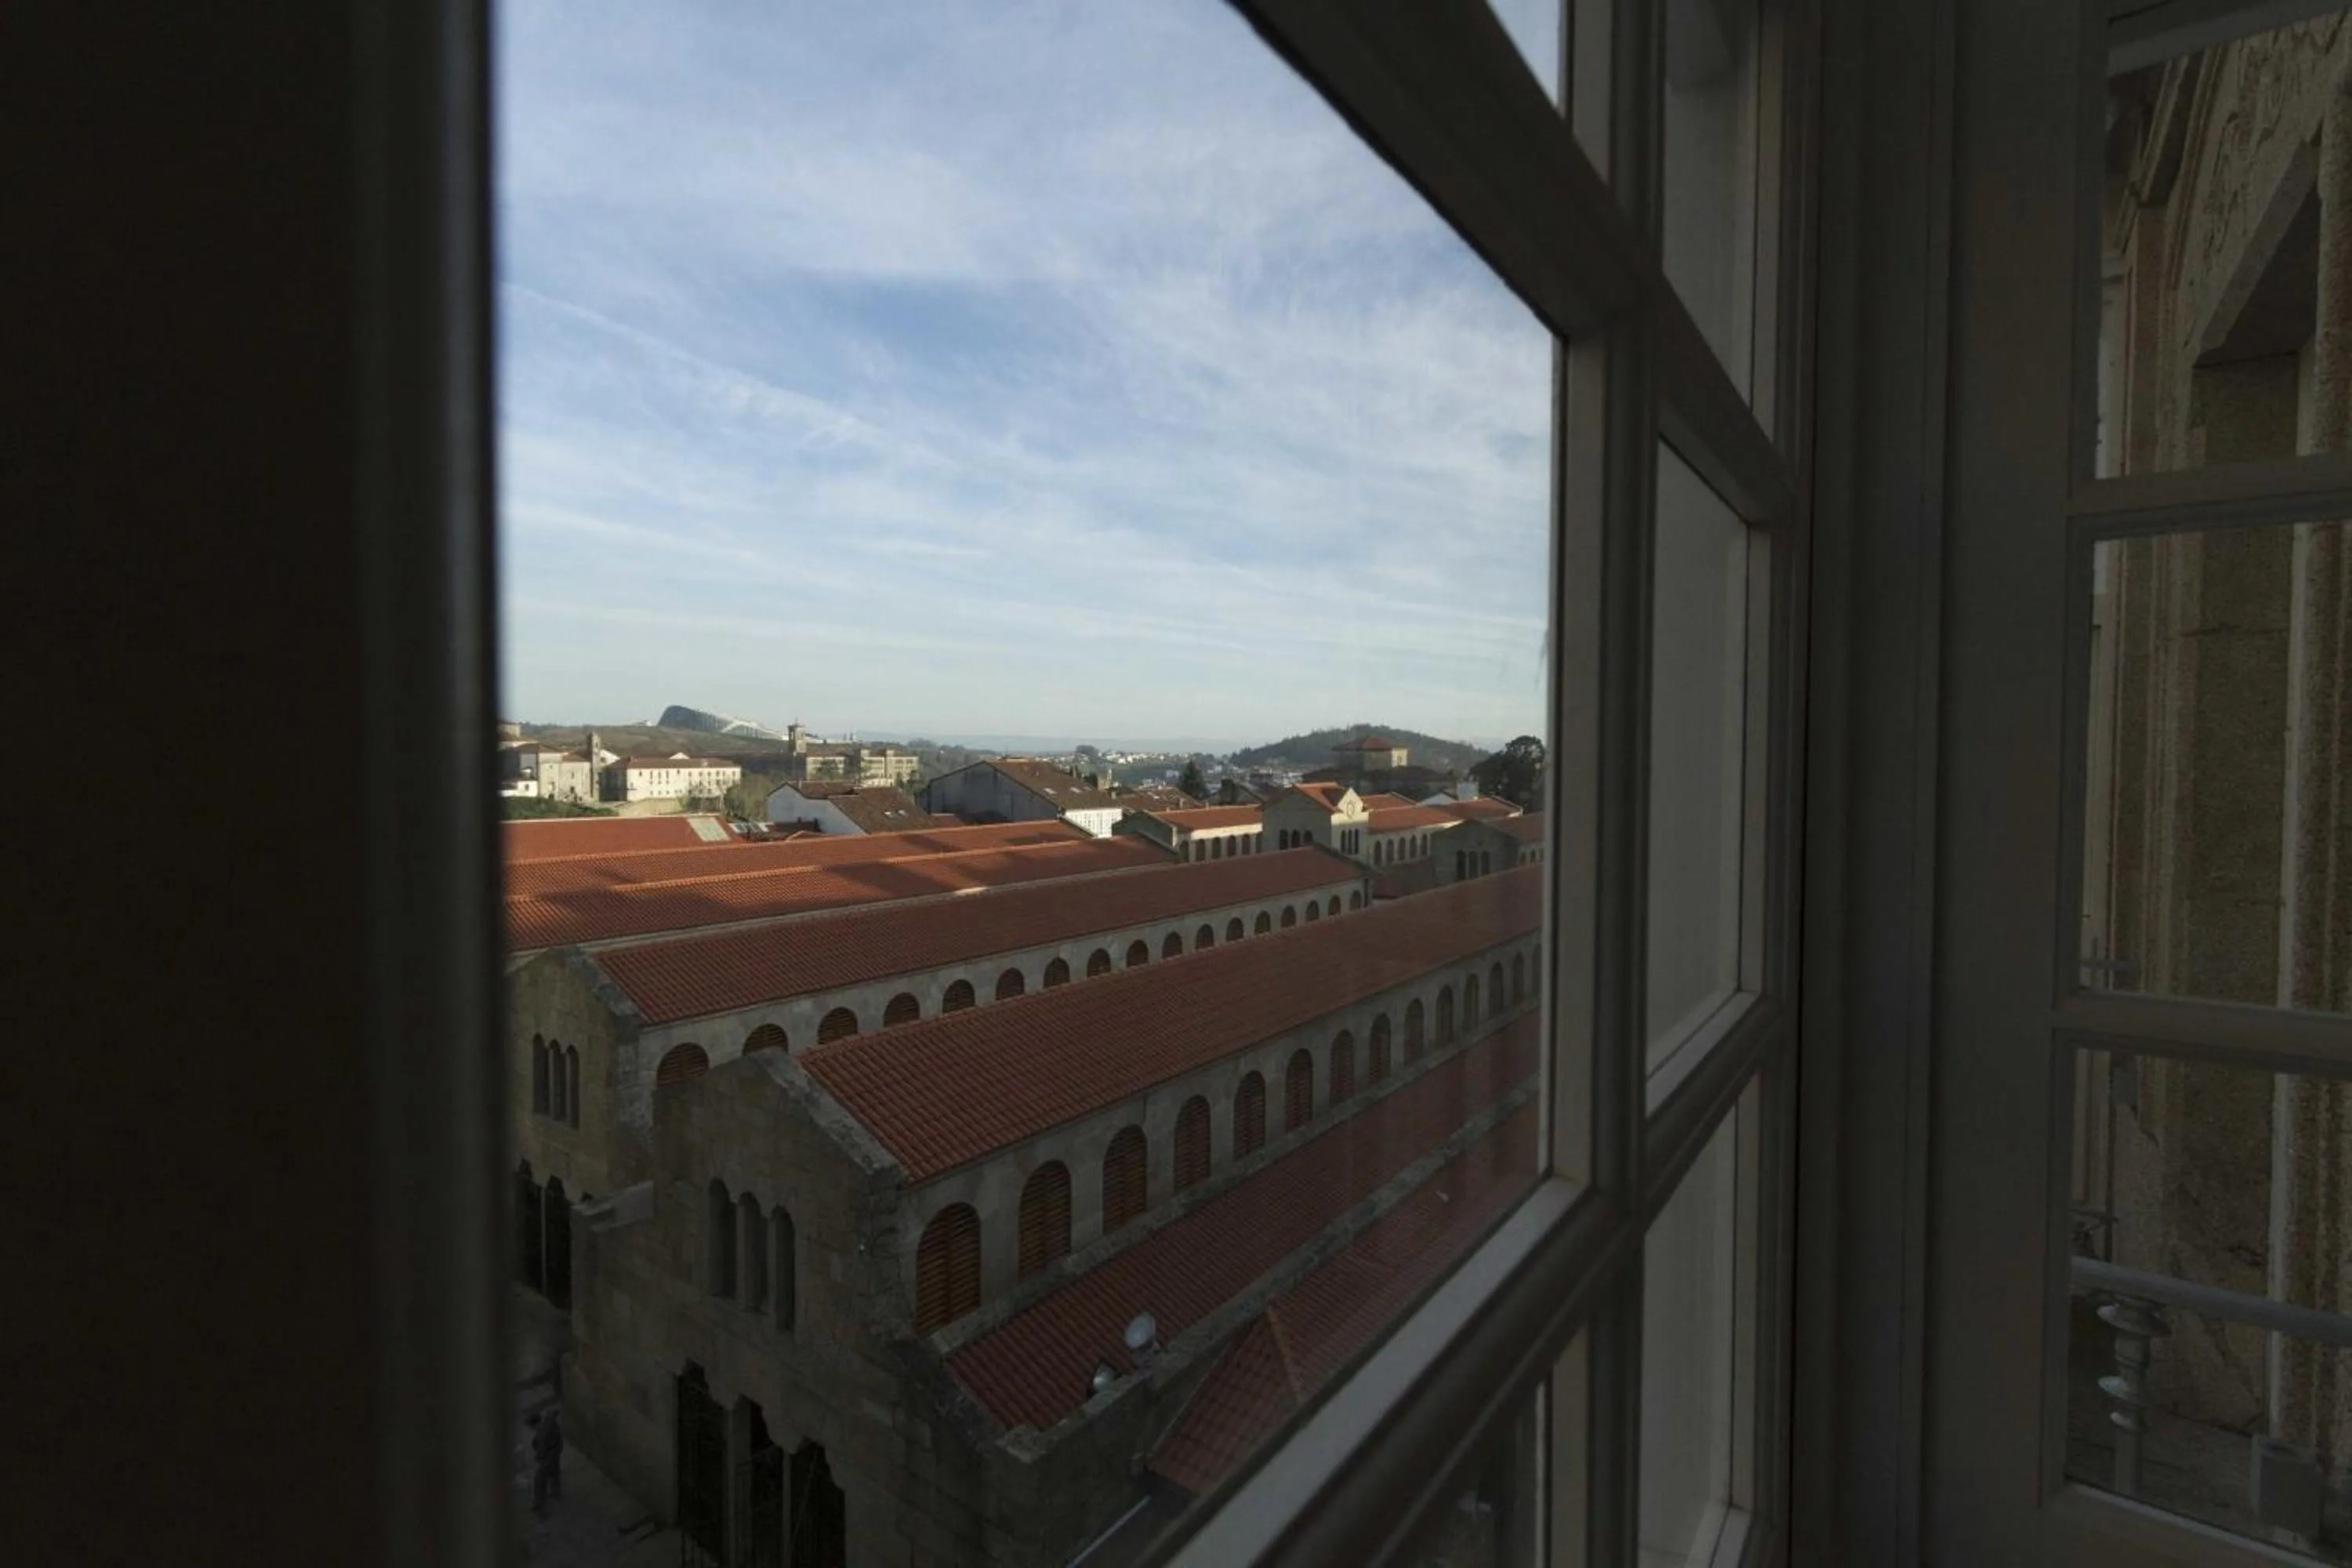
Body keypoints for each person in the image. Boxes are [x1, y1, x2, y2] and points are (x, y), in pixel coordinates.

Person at [530, 1407, 564, 1515]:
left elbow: (541, 1450)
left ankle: (539, 1503)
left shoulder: (542, 1433)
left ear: (535, 1424)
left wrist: (538, 1457)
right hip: (557, 1448)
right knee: (554, 1471)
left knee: (539, 1478)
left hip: (550, 1453)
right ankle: (555, 1492)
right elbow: (553, 1413)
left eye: (532, 1427)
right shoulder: (548, 1418)